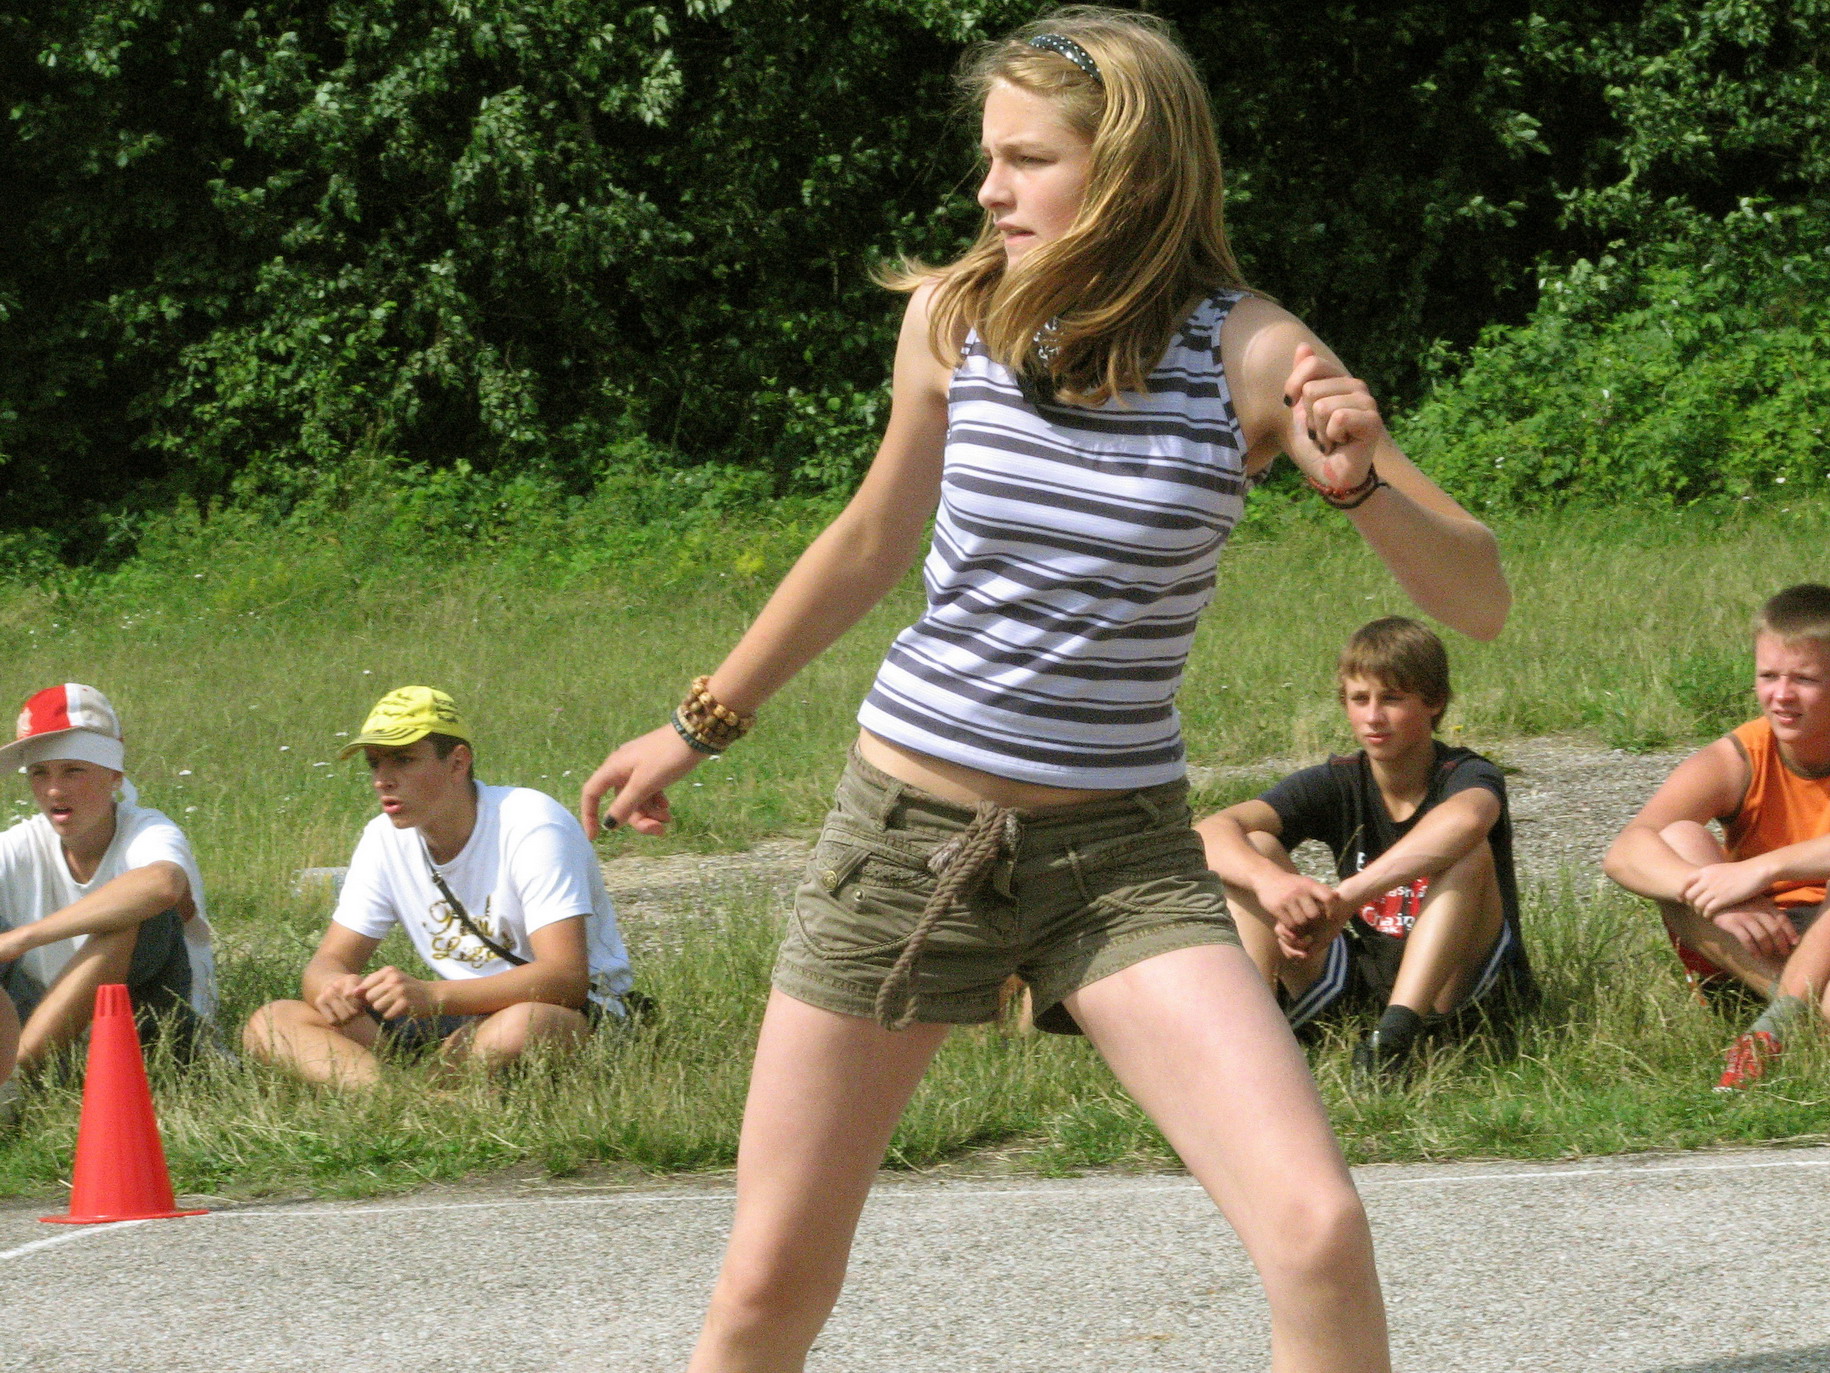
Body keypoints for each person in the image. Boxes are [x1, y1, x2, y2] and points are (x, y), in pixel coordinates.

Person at [581, 10, 1508, 1371]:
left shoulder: (1251, 353)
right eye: (988, 157)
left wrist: (1359, 482)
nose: (987, 191)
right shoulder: (957, 319)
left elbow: (1477, 595)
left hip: (1119, 860)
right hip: (903, 841)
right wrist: (697, 724)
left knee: (1317, 1229)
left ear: (1126, 170)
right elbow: (868, 540)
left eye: (1025, 160)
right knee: (771, 1279)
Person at [1197, 618, 1534, 1081]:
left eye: (1391, 699)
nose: (1373, 717)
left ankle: (1395, 1038)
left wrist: (1348, 897)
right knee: (1252, 846)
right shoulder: (1340, 779)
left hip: (1460, 989)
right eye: (1360, 699)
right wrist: (1271, 883)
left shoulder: (1465, 773)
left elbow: (1468, 820)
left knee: (1468, 850)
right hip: (1362, 981)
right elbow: (1208, 833)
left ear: (1435, 702)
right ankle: (1250, 1039)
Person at [245, 686, 633, 1087]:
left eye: (404, 760)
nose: (382, 780)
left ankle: (428, 1086)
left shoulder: (531, 823)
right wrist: (332, 987)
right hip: (449, 1015)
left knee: (520, 1026)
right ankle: (393, 1098)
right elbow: (328, 961)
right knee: (271, 1022)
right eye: (374, 763)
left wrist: (432, 997)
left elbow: (565, 980)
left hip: (560, 1010)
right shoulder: (382, 838)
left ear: (457, 762)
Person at [1604, 583, 1830, 1091]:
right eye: (1768, 676)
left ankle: (1782, 1022)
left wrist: (1759, 869)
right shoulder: (1742, 755)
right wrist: (1713, 895)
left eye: (1804, 679)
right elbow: (1625, 851)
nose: (1781, 695)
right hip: (1758, 942)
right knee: (1677, 840)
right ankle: (1795, 1011)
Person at [0, 683, 217, 1090]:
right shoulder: (20, 845)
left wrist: (22, 939)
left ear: (114, 775)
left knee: (140, 913)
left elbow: (163, 884)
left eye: (73, 770)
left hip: (149, 1041)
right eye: (40, 773)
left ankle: (14, 1081)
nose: (54, 790)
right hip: (50, 1042)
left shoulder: (148, 831)